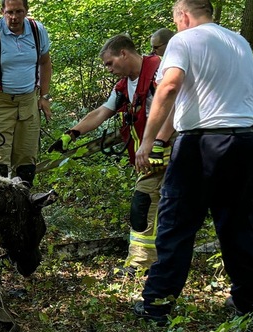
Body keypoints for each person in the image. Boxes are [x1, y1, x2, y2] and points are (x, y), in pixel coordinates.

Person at [133, 0, 253, 324]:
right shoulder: (238, 42)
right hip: (245, 140)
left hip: (202, 144)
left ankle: (157, 304)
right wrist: (164, 138)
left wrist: (147, 140)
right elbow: (203, 99)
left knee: (176, 220)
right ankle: (248, 303)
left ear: (184, 16)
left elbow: (170, 88)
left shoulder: (185, 40)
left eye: (176, 22)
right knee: (237, 223)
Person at [49, 34, 173, 277]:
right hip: (149, 154)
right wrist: (72, 133)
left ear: (124, 53)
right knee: (163, 207)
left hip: (166, 151)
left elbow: (176, 105)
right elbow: (102, 111)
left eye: (110, 63)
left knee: (144, 204)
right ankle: (160, 262)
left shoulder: (159, 71)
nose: (109, 69)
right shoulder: (125, 85)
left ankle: (141, 265)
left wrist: (157, 143)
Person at [0, 0, 52, 187]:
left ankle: (23, 209)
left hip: (29, 103)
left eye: (19, 11)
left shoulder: (37, 30)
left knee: (26, 162)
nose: (14, 17)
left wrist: (43, 96)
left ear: (26, 11)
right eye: (9, 12)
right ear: (2, 11)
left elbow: (45, 63)